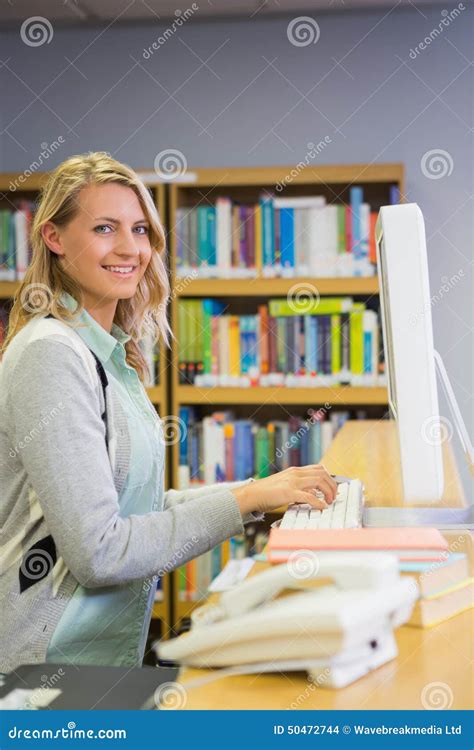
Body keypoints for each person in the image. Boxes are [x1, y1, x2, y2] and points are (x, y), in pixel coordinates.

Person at [0, 152, 337, 672]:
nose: (130, 248)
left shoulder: (107, 352)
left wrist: (259, 493)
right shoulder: (52, 353)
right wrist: (244, 497)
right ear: (54, 238)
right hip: (45, 667)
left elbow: (136, 507)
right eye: (105, 228)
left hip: (95, 659)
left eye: (139, 229)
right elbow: (101, 550)